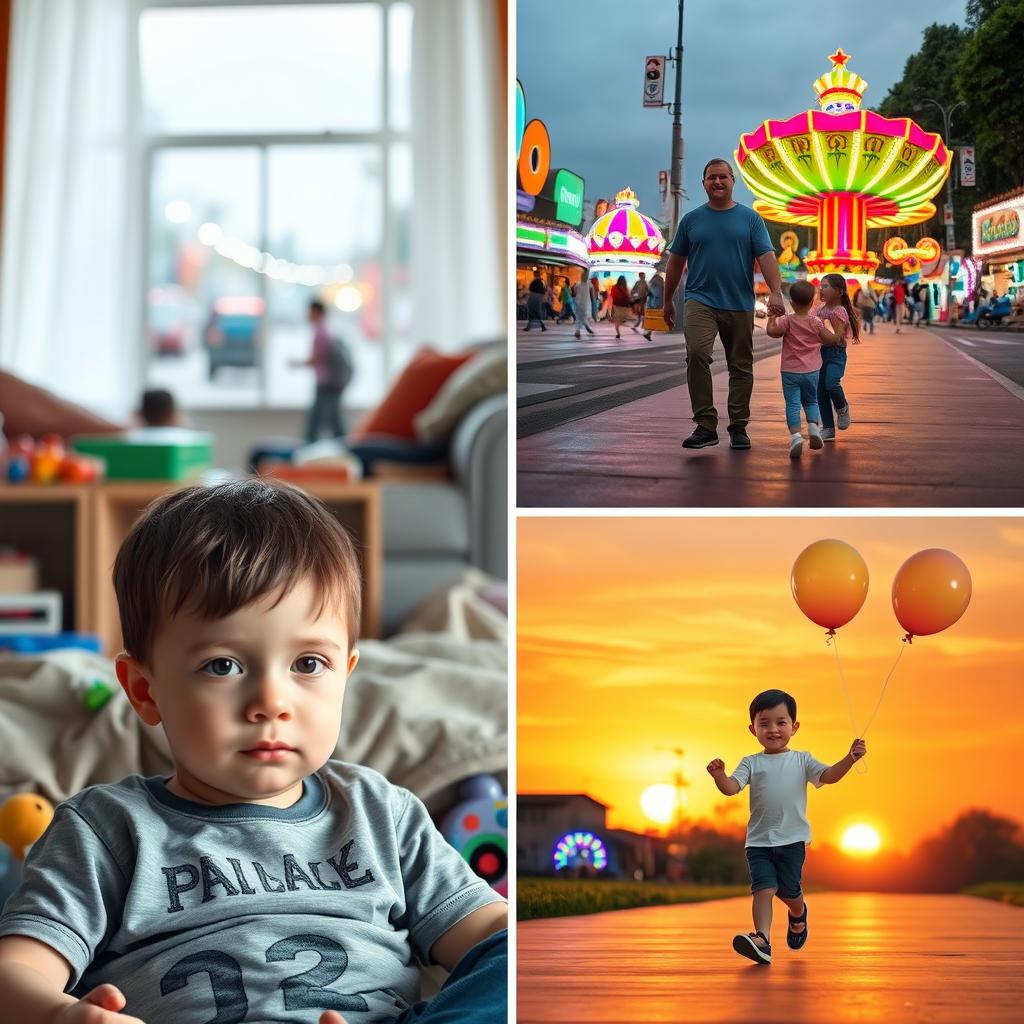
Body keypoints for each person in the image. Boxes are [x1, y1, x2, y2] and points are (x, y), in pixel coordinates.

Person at [0, 479, 508, 1024]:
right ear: (145, 691)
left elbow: (489, 936)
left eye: (308, 664)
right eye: (223, 666)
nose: (271, 702)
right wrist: (62, 1014)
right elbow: (16, 974)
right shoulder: (105, 830)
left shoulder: (382, 812)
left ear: (345, 676)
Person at [706, 688, 866, 965]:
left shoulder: (802, 759)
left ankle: (798, 913)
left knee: (789, 890)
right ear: (752, 728)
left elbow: (829, 776)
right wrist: (720, 776)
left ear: (794, 726)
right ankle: (762, 940)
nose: (773, 729)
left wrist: (850, 758)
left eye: (781, 722)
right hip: (758, 842)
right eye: (764, 723)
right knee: (763, 889)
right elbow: (731, 788)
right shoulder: (751, 763)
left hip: (791, 841)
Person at [663, 158, 785, 451]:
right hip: (699, 299)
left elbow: (767, 256)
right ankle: (705, 425)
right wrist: (667, 300)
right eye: (711, 178)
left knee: (740, 366)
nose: (717, 182)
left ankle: (738, 426)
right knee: (696, 353)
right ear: (703, 183)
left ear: (733, 181)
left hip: (739, 301)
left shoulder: (750, 219)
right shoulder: (691, 220)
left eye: (723, 177)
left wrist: (776, 292)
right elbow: (676, 262)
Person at [764, 280, 839, 459]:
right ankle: (813, 428)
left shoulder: (787, 321)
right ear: (812, 302)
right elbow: (830, 339)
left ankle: (796, 437)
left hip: (790, 371)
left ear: (791, 303)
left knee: (793, 404)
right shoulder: (816, 323)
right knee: (812, 402)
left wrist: (772, 317)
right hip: (812, 371)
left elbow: (772, 332)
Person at [293, 299, 351, 444]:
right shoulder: (327, 331)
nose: (307, 315)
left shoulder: (321, 333)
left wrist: (296, 363)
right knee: (333, 421)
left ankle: (306, 454)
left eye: (310, 311)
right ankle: (344, 449)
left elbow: (316, 359)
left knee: (316, 422)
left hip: (326, 384)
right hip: (331, 384)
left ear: (316, 312)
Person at [813, 273, 861, 443]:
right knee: (820, 392)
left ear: (839, 291)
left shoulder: (839, 310)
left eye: (826, 286)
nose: (821, 289)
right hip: (819, 354)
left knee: (831, 384)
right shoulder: (819, 309)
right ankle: (828, 428)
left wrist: (821, 328)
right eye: (821, 286)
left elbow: (836, 336)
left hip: (835, 354)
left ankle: (842, 408)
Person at [642, 271, 666, 340]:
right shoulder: (659, 286)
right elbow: (657, 295)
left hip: (650, 304)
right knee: (654, 320)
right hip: (656, 305)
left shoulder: (651, 284)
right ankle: (647, 332)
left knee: (651, 320)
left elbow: (648, 294)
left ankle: (648, 333)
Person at [573, 270, 595, 339]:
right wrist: (594, 300)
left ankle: (582, 329)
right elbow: (592, 294)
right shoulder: (589, 284)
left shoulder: (578, 283)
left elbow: (574, 293)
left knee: (580, 316)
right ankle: (580, 330)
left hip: (579, 301)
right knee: (583, 316)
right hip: (585, 302)